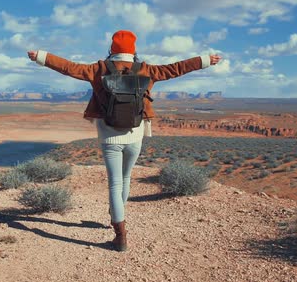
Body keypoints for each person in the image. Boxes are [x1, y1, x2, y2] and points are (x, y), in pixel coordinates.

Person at [27, 30, 222, 251]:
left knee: (114, 183)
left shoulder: (98, 69)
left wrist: (41, 56)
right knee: (126, 177)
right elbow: (175, 69)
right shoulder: (146, 70)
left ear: (112, 49)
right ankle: (118, 211)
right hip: (135, 134)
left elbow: (68, 67)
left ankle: (120, 235)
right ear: (133, 50)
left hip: (109, 135)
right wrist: (204, 61)